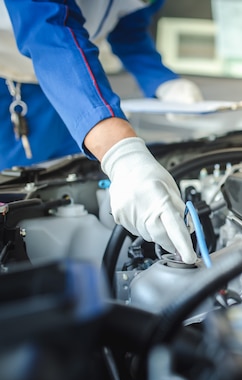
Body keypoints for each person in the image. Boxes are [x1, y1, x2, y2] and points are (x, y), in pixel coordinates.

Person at [0, 0, 201, 264]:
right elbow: (48, 29)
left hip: (77, 95)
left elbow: (129, 30)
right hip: (17, 93)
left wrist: (162, 81)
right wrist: (123, 155)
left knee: (74, 187)